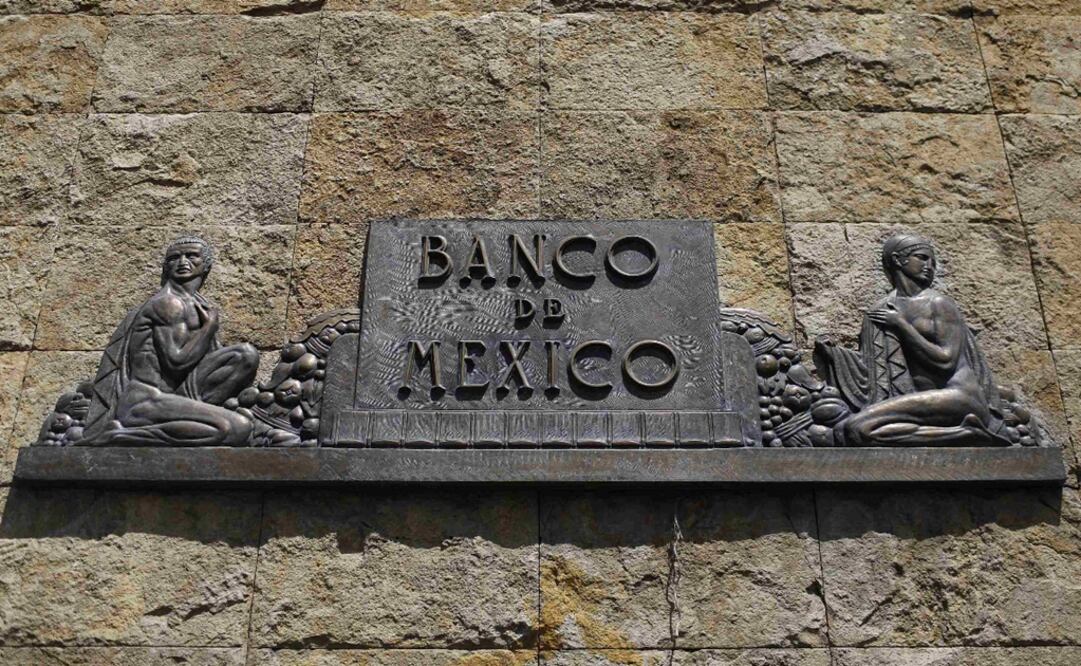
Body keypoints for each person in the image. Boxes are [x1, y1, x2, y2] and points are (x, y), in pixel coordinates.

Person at [813, 233, 1011, 447]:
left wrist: (902, 325)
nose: (930, 266)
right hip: (924, 405)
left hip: (960, 397)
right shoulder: (881, 310)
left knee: (855, 428)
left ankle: (970, 430)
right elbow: (874, 370)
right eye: (922, 257)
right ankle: (964, 433)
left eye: (932, 261)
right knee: (851, 432)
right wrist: (836, 356)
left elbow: (946, 361)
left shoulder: (939, 304)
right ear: (898, 260)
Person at [82, 236, 258, 446]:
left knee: (245, 354)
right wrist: (209, 327)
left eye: (192, 256)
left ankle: (195, 412)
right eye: (174, 258)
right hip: (144, 401)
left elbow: (201, 361)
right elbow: (176, 362)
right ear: (166, 267)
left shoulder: (195, 303)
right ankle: (120, 434)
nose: (183, 262)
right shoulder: (168, 303)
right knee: (239, 429)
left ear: (206, 265)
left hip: (175, 394)